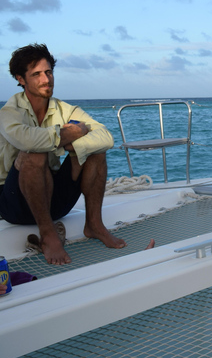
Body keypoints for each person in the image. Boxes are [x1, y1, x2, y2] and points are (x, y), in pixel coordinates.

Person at [0, 44, 126, 265]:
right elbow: (27, 141)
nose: (46, 79)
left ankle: (94, 225)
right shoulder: (10, 112)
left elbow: (106, 137)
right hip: (14, 203)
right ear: (21, 79)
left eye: (48, 72)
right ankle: (48, 235)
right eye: (36, 74)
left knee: (96, 152)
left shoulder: (63, 109)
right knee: (34, 154)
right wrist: (72, 132)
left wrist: (70, 145)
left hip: (53, 200)